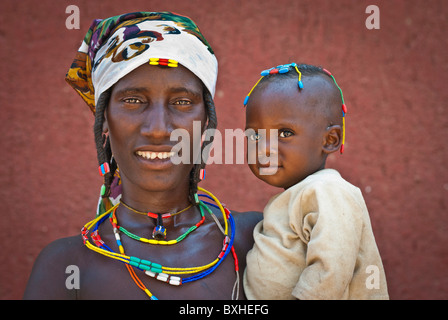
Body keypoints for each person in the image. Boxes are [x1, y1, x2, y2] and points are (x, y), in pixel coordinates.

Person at [23, 11, 261, 300]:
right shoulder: (65, 267)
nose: (158, 130)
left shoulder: (257, 240)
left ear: (206, 122)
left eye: (183, 101)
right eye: (133, 100)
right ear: (104, 119)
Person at [242, 63, 389, 300]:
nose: (263, 148)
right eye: (255, 135)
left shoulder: (329, 191)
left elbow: (330, 271)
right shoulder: (295, 196)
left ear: (330, 139)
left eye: (285, 133)